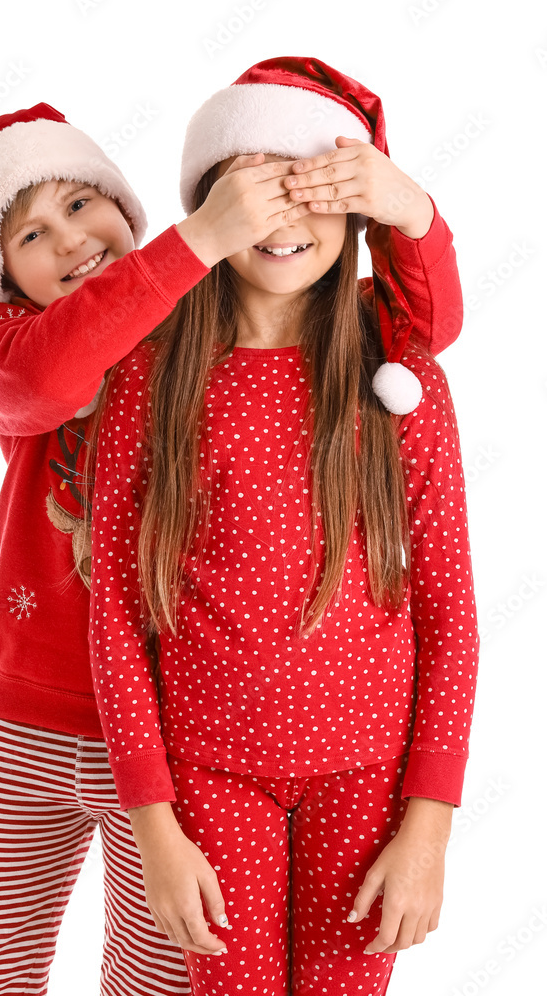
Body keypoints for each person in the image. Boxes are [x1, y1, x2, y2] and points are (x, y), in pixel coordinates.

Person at [88, 56, 479, 996]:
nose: (285, 220)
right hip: (209, 777)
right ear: (212, 211)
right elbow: (114, 609)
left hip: (368, 778)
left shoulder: (400, 379)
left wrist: (427, 825)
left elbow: (450, 611)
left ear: (356, 213)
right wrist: (154, 821)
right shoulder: (148, 377)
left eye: (312, 191)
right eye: (259, 191)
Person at [0, 102, 323, 996]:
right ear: (6, 275)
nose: (68, 239)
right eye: (31, 232)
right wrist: (197, 241)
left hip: (163, 724)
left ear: (122, 202)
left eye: (80, 203)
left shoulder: (201, 319)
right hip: (24, 717)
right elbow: (49, 378)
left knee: (162, 971)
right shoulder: (9, 344)